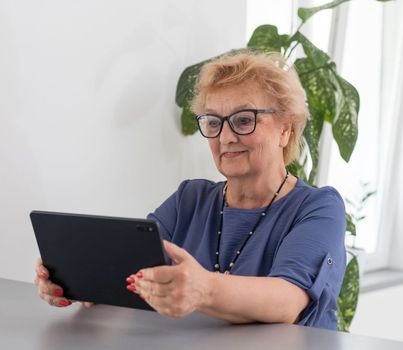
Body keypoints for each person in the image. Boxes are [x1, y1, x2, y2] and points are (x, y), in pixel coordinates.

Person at [34, 51, 347, 330]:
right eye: (213, 122)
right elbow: (133, 270)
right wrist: (79, 280)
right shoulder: (191, 198)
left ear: (285, 130)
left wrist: (205, 289)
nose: (225, 136)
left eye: (243, 120)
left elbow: (288, 301)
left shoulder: (318, 207)